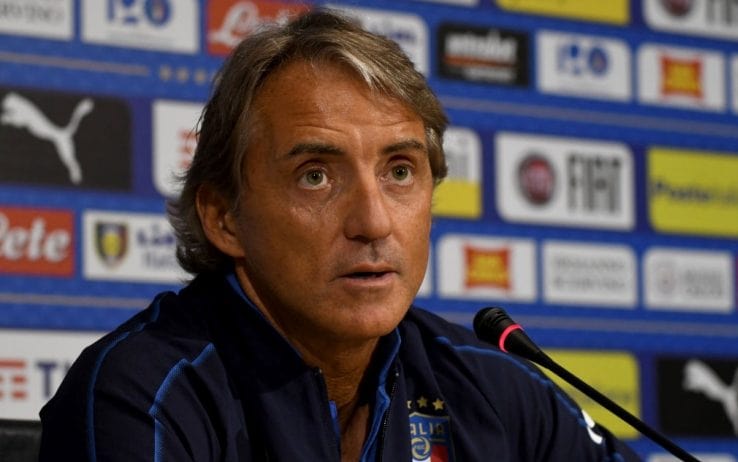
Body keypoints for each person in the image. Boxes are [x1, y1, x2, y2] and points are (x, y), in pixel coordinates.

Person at [39, 10, 641, 462]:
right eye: (316, 176)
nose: (374, 223)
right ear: (225, 217)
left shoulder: (492, 389)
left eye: (399, 171)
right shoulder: (145, 394)